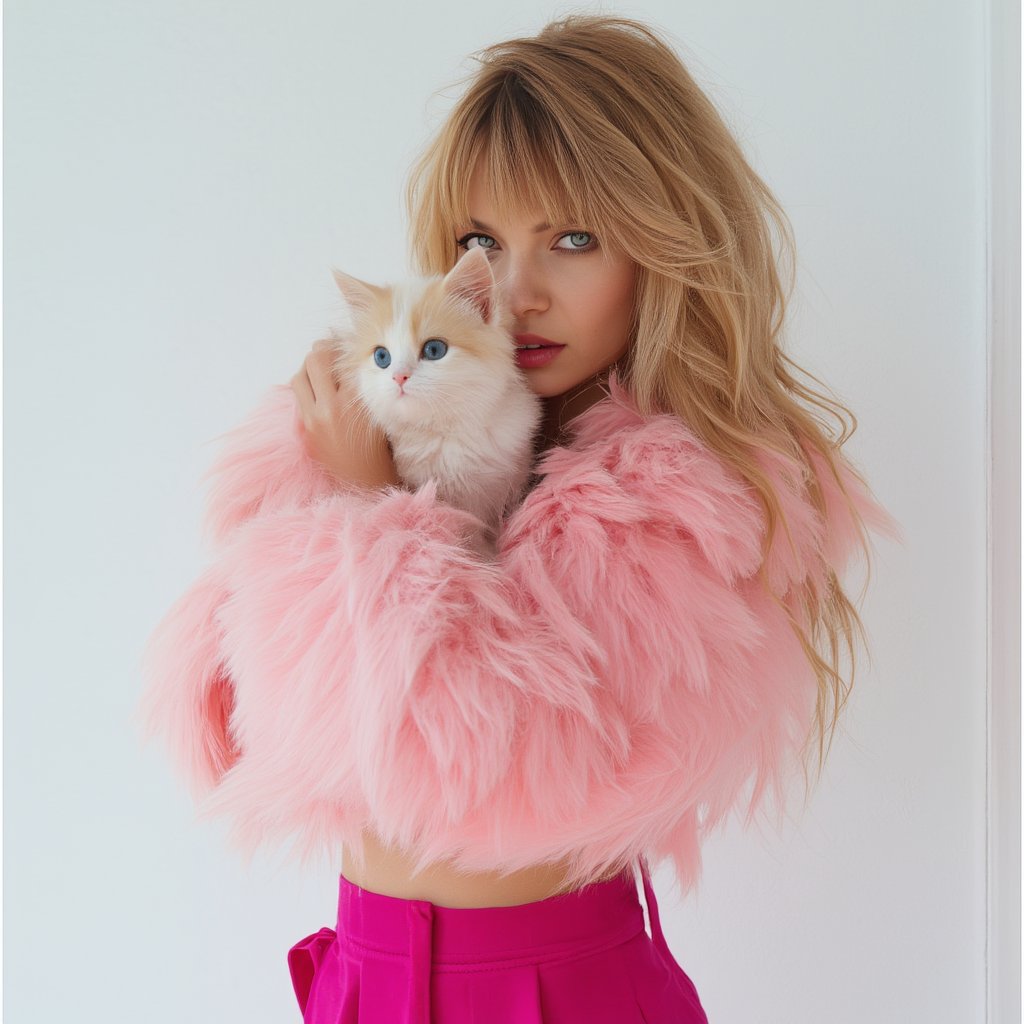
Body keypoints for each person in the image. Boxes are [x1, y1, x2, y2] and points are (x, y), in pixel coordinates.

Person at [137, 14, 901, 1023]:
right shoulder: (413, 418)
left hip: (554, 989)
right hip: (367, 972)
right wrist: (333, 480)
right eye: (482, 240)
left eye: (574, 239)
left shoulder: (686, 495)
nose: (519, 290)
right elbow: (225, 718)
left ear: (660, 245)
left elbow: (483, 766)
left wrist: (369, 507)